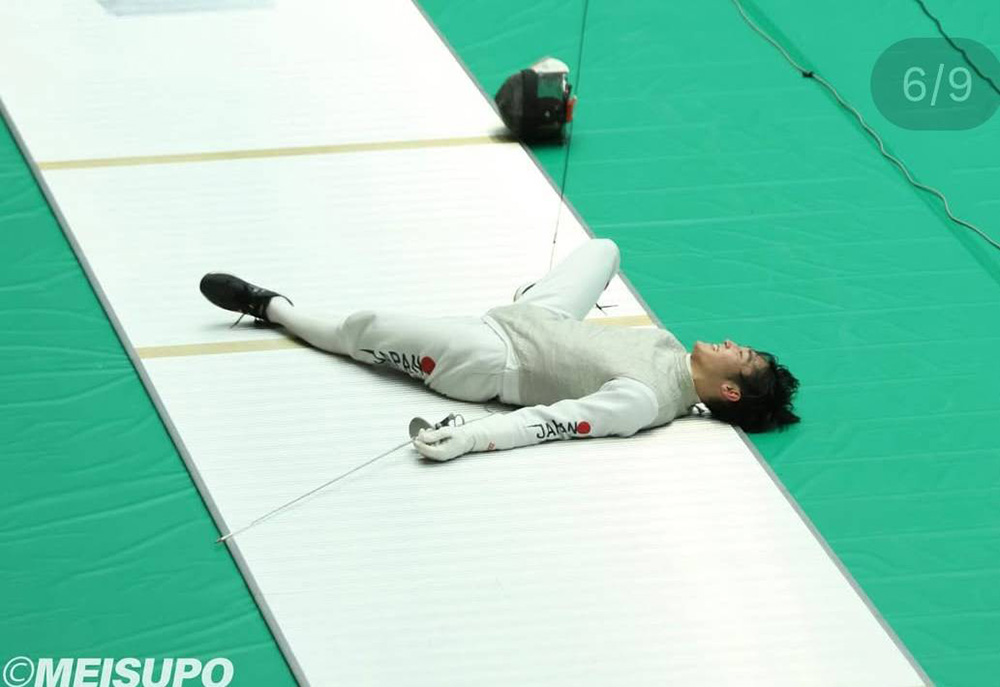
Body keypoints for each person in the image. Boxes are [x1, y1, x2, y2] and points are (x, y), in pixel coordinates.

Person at [200, 239, 800, 462]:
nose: (734, 344)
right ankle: (531, 298)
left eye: (742, 357)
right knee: (603, 250)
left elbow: (547, 423)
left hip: (492, 355)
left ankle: (271, 307)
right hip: (543, 318)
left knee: (367, 329)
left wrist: (467, 440)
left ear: (729, 389)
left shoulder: (643, 401)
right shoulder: (669, 350)